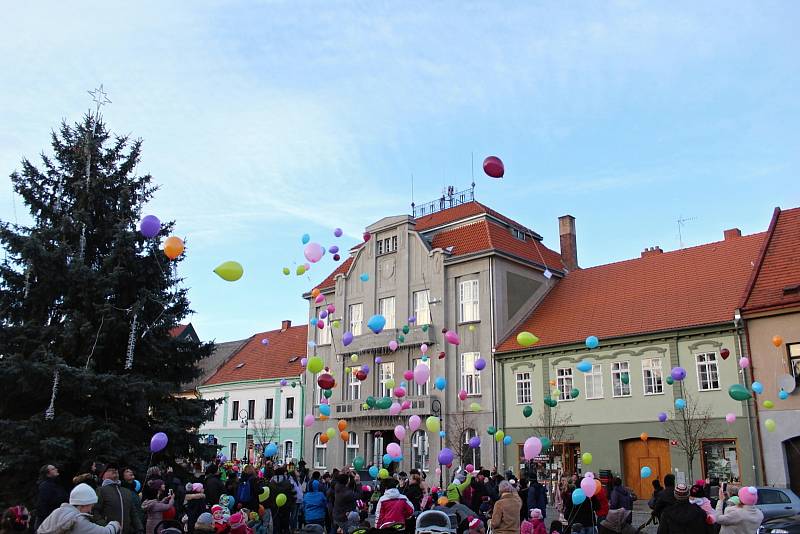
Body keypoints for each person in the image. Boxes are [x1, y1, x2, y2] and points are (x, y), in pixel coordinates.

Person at [37, 484, 120, 534]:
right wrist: (114, 524)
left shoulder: (57, 512)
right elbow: (105, 532)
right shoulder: (77, 521)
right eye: (91, 505)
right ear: (84, 504)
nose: (91, 510)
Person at [95, 466, 144, 534]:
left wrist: (139, 529)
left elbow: (133, 513)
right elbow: (95, 512)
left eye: (115, 469)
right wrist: (107, 528)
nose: (114, 470)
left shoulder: (126, 491)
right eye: (109, 470)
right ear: (103, 476)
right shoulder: (100, 490)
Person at [35, 465, 68, 530]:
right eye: (53, 469)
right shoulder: (45, 486)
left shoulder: (57, 484)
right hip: (50, 524)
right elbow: (42, 506)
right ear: (47, 474)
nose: (56, 469)